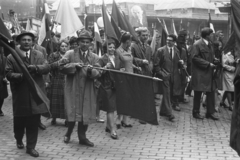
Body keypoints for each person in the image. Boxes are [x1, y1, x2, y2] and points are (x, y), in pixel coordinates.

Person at [5, 31, 50, 157]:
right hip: (20, 95)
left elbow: (47, 68)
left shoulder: (39, 55)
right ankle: (19, 139)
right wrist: (21, 76)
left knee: (33, 122)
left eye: (29, 40)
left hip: (36, 94)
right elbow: (8, 74)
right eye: (24, 40)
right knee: (19, 121)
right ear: (18, 42)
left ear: (33, 42)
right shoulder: (12, 57)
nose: (26, 42)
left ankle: (31, 147)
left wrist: (36, 68)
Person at [60, 30, 101, 147]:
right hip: (72, 87)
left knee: (85, 113)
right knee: (72, 112)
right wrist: (73, 66)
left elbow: (98, 72)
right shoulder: (70, 54)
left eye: (87, 42)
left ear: (90, 44)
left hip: (87, 89)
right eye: (82, 41)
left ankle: (82, 137)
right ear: (78, 42)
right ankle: (68, 133)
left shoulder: (94, 57)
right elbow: (60, 66)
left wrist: (90, 70)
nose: (84, 44)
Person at [191, 27, 219, 120]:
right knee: (198, 93)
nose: (212, 36)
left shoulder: (210, 44)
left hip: (208, 73)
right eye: (211, 34)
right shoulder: (197, 44)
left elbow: (210, 56)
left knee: (211, 92)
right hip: (200, 73)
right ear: (207, 35)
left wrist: (214, 60)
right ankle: (196, 112)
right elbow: (194, 58)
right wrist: (208, 64)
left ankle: (210, 112)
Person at [115, 32, 139, 128]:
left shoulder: (128, 49)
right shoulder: (118, 51)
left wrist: (135, 67)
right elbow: (116, 66)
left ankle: (125, 120)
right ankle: (118, 119)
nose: (131, 43)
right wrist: (120, 69)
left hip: (131, 77)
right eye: (130, 41)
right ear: (127, 41)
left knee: (128, 99)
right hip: (123, 78)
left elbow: (128, 61)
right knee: (122, 99)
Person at [154, 34, 179, 122]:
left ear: (174, 42)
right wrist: (162, 74)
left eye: (170, 40)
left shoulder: (176, 50)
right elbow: (156, 65)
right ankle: (169, 113)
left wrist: (181, 63)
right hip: (164, 77)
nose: (168, 41)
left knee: (168, 94)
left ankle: (163, 111)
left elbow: (176, 63)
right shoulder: (160, 51)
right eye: (167, 40)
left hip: (173, 77)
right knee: (167, 94)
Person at [97, 40, 118, 139]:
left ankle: (108, 126)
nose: (112, 49)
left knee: (112, 107)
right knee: (110, 108)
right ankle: (112, 129)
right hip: (106, 86)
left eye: (113, 47)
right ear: (106, 48)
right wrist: (105, 67)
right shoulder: (102, 59)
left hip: (115, 86)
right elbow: (97, 72)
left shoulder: (116, 58)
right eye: (110, 47)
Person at [131, 27, 153, 124]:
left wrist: (151, 66)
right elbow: (130, 59)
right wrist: (141, 61)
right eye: (143, 35)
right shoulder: (134, 46)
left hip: (147, 73)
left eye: (146, 35)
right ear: (139, 36)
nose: (145, 37)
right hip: (137, 72)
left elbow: (151, 58)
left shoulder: (149, 47)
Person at [29, 29, 49, 130]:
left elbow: (46, 66)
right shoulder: (19, 50)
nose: (34, 39)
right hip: (26, 81)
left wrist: (46, 80)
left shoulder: (42, 49)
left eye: (35, 37)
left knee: (39, 101)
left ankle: (38, 121)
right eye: (32, 37)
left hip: (38, 80)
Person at [48, 40, 69, 126]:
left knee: (66, 100)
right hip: (56, 79)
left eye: (65, 46)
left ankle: (67, 119)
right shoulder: (53, 55)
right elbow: (49, 66)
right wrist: (59, 63)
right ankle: (54, 117)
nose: (64, 48)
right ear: (58, 47)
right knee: (55, 100)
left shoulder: (70, 55)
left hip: (67, 79)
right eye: (62, 46)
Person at [0, 46, 8, 116]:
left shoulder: (4, 58)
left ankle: (0, 109)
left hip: (2, 79)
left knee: (2, 96)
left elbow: (6, 68)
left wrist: (6, 77)